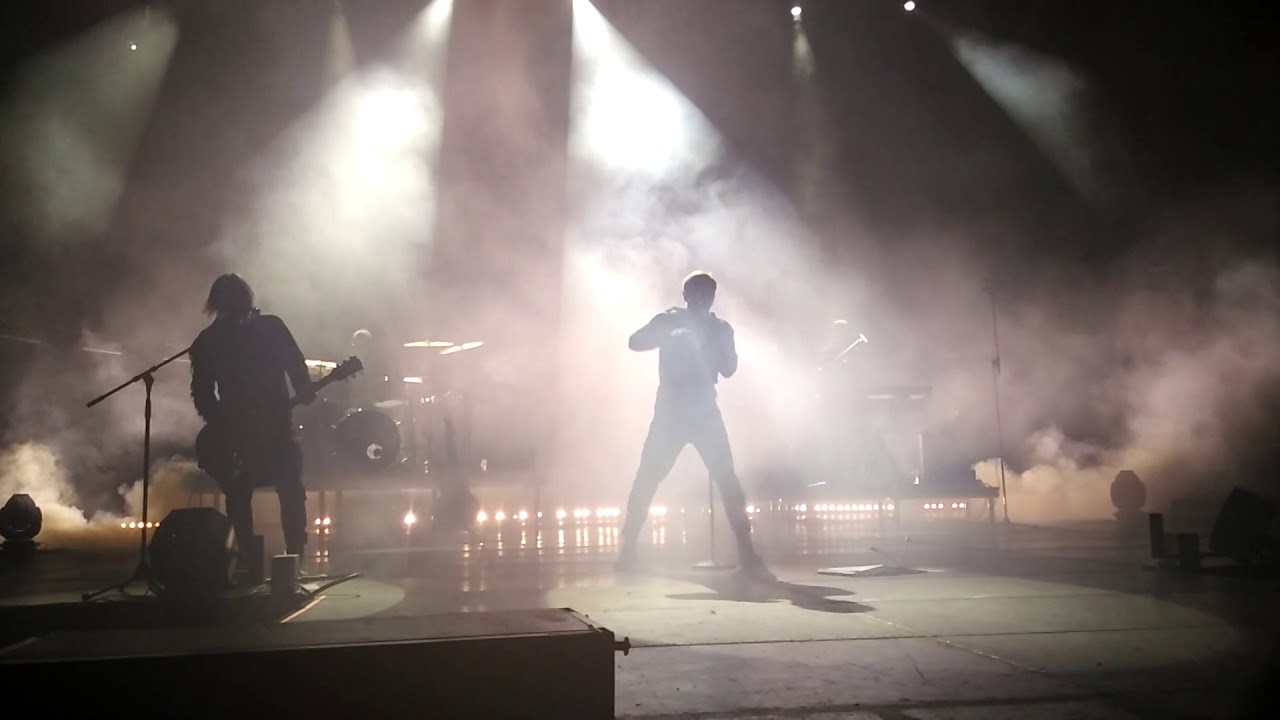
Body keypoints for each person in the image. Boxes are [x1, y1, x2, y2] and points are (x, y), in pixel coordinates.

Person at [617, 271, 771, 578]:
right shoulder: (669, 319)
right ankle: (628, 547)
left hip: (704, 413)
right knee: (648, 477)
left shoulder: (720, 329)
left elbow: (729, 369)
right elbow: (634, 342)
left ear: (713, 298)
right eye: (698, 294)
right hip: (671, 414)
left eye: (708, 294)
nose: (704, 300)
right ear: (686, 296)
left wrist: (709, 345)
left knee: (727, 480)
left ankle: (747, 551)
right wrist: (669, 334)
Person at [190, 274, 314, 557]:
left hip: (273, 431)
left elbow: (295, 364)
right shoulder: (211, 340)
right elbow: (203, 393)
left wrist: (303, 387)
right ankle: (258, 553)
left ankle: (285, 553)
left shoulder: (263, 329)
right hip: (242, 434)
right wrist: (224, 428)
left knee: (284, 488)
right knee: (252, 491)